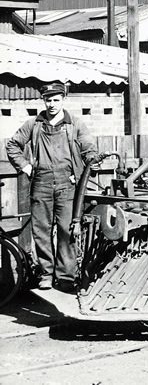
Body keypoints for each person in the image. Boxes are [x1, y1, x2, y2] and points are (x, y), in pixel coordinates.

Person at [6, 82, 98, 291]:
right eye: (48, 100)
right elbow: (12, 145)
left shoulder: (75, 124)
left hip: (68, 184)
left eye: (56, 100)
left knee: (67, 230)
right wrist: (26, 166)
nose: (52, 104)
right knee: (41, 231)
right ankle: (46, 274)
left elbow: (89, 148)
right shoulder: (34, 124)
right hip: (41, 184)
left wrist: (87, 164)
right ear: (44, 101)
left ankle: (65, 277)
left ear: (63, 100)